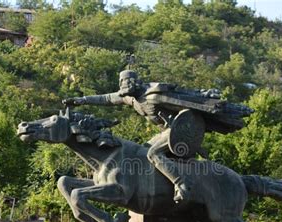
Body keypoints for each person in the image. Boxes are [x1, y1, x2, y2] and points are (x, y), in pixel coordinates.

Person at [63, 70, 253, 202]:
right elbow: (106, 99)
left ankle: (182, 184)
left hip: (178, 131)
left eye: (126, 83)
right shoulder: (130, 98)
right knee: (142, 151)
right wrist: (80, 100)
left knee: (153, 154)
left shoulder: (153, 95)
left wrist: (211, 105)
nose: (123, 87)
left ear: (135, 83)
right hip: (165, 132)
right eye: (121, 84)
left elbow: (186, 103)